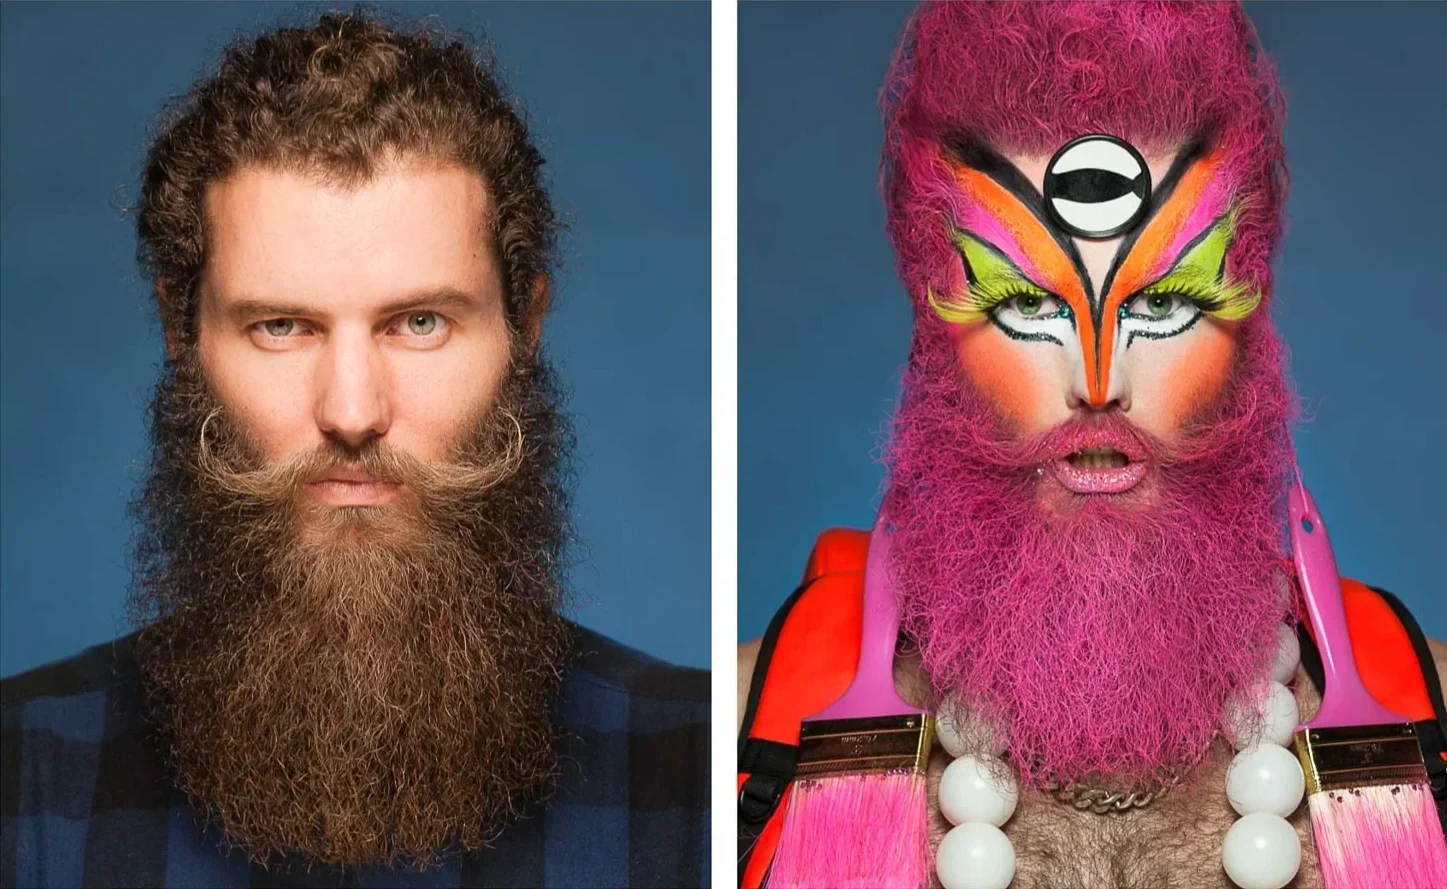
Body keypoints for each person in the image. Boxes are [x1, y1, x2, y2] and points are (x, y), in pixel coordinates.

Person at [738, 3, 1446, 888]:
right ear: (934, 319)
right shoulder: (745, 722)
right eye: (1027, 304)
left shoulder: (1430, 711)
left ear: (1250, 308)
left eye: (1163, 302)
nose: (1100, 380)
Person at [1, 12, 707, 888]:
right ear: (182, 337)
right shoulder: (22, 776)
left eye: (419, 322)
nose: (351, 410)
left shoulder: (699, 775)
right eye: (280, 326)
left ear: (525, 326)